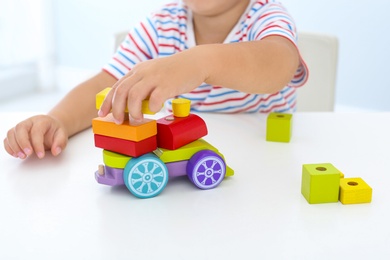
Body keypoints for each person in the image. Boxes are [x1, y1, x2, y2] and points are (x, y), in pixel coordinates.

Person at [3, 0, 308, 160]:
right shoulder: (161, 24)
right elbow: (104, 85)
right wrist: (58, 120)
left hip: (266, 168)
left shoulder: (267, 16)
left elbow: (278, 65)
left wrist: (198, 61)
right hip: (183, 173)